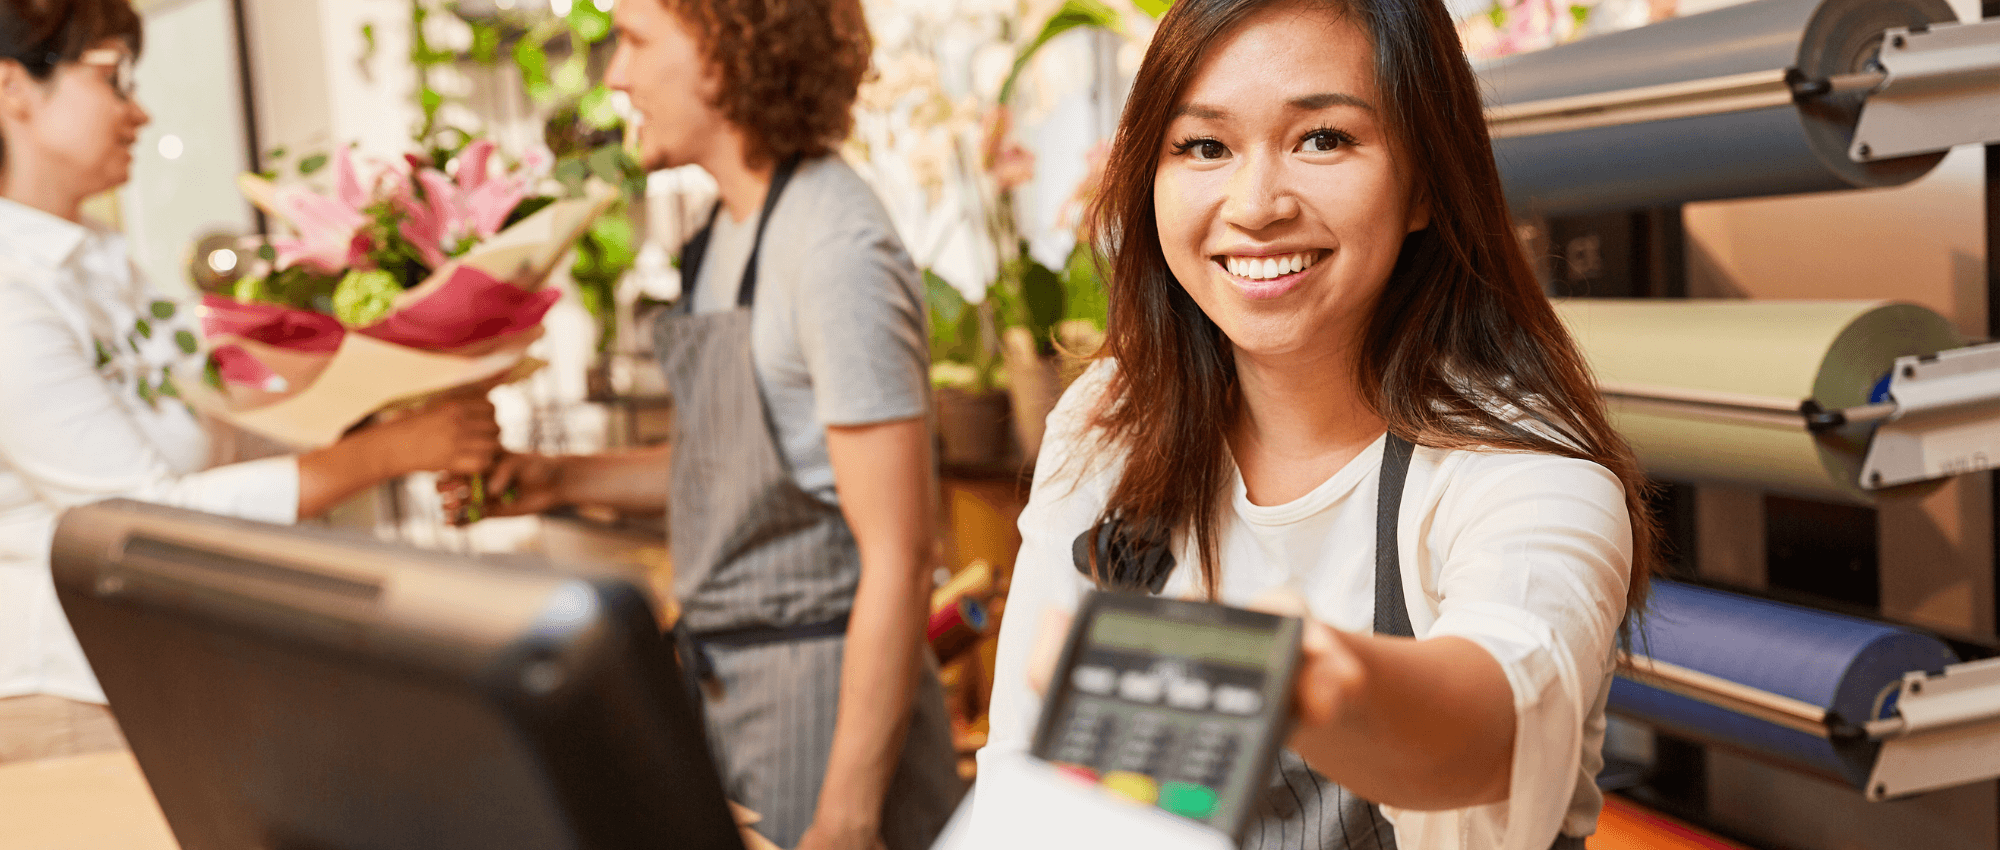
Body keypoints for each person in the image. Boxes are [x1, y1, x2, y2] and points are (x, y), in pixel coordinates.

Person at [976, 1, 1656, 849]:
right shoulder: (1110, 420)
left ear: (1424, 184)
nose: (1256, 205)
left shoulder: (1524, 468)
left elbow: (1497, 723)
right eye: (1204, 146)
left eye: (1323, 138)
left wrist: (1301, 681)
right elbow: (1025, 785)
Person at [442, 1, 963, 848]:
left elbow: (901, 557)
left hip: (830, 713)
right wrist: (554, 479)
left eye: (637, 41)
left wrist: (848, 814)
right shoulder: (725, 232)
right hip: (730, 696)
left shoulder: (836, 251)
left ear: (727, 54)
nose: (615, 74)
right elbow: (736, 463)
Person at [0, 0, 501, 765]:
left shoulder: (104, 262)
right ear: (12, 90)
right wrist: (386, 453)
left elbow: (222, 415)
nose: (139, 112)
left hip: (162, 663)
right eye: (111, 78)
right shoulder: (11, 293)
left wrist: (387, 373)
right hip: (72, 688)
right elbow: (138, 518)